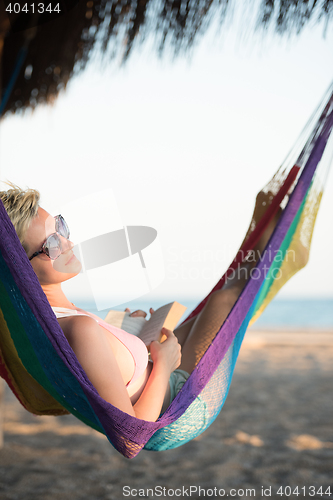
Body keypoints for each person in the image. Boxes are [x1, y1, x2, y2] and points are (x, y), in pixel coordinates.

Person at [0, 182, 280, 422]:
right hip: (180, 399)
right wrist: (164, 366)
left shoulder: (52, 318)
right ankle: (275, 233)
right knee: (225, 299)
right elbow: (132, 436)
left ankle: (269, 229)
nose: (68, 243)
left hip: (158, 371)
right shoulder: (77, 328)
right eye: (52, 244)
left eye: (61, 228)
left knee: (214, 304)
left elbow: (102, 365)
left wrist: (130, 333)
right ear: (19, 268)